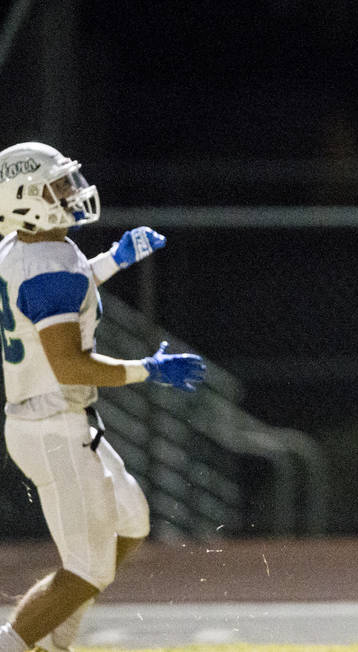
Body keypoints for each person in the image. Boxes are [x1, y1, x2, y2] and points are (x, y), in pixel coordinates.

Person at [0, 141, 207, 652]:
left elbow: (63, 286)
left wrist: (113, 260)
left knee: (131, 522)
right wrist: (148, 370)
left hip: (52, 420)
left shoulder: (23, 247)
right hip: (52, 427)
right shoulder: (46, 266)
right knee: (88, 570)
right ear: (25, 198)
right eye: (57, 185)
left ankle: (53, 643)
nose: (72, 191)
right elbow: (70, 363)